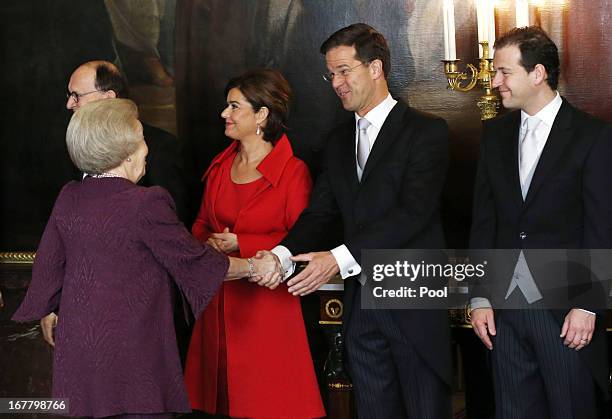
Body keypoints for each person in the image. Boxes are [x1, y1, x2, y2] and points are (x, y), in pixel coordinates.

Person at [12, 98, 281, 418]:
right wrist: (257, 266)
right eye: (142, 139)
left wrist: (52, 309)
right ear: (126, 152)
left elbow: (49, 265)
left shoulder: (70, 195)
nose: (146, 149)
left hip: (78, 354)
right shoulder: (145, 202)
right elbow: (196, 262)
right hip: (132, 357)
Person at [271, 23, 452, 418]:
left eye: (343, 71)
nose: (335, 82)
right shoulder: (336, 142)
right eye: (331, 74)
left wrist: (337, 258)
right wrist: (280, 254)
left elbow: (413, 215)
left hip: (413, 302)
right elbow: (320, 213)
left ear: (375, 68)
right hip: (360, 309)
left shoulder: (427, 132)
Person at [469, 26, 612, 419]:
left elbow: (602, 226)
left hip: (565, 314)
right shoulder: (495, 134)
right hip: (505, 312)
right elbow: (484, 221)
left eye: (503, 72)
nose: (494, 81)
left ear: (537, 74)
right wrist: (480, 296)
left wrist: (588, 305)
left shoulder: (592, 136)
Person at [183, 69, 325, 418]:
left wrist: (241, 242)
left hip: (269, 312)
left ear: (262, 114)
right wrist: (208, 243)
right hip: (218, 302)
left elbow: (302, 240)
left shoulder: (293, 172)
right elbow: (201, 222)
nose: (224, 114)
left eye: (234, 107)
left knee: (267, 402)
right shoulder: (220, 166)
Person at [65, 60, 188, 222]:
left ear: (108, 98)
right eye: (69, 95)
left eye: (76, 96)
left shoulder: (161, 147)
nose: (69, 104)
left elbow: (173, 221)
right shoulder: (78, 145)